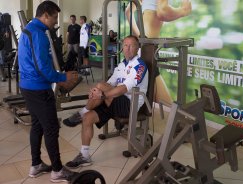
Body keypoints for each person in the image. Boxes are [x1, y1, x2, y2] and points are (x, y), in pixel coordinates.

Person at [62, 35, 148, 168]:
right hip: (113, 101)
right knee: (88, 118)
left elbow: (124, 88)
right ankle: (84, 156)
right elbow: (110, 83)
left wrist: (102, 94)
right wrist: (96, 93)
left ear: (138, 48)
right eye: (125, 45)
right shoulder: (121, 65)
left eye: (132, 46)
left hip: (130, 104)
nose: (128, 49)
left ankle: (81, 112)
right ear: (122, 47)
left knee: (101, 87)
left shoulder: (140, 65)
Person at [18, 1, 78, 182]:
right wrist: (63, 78)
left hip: (28, 87)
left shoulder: (29, 29)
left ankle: (36, 165)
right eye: (54, 18)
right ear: (45, 15)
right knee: (51, 128)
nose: (55, 22)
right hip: (38, 89)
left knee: (37, 125)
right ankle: (58, 171)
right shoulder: (38, 34)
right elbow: (42, 68)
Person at [126, 0, 192, 105]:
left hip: (144, 48)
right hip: (148, 52)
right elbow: (162, 12)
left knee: (148, 99)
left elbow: (128, 12)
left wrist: (140, 36)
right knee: (167, 103)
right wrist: (183, 11)